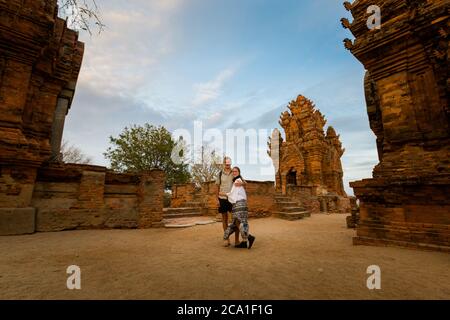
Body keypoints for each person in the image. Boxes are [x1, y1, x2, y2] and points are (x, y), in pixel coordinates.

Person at [223, 167, 255, 249]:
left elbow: (233, 194)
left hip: (239, 204)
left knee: (238, 222)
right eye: (233, 171)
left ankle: (249, 237)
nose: (234, 172)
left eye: (235, 171)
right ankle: (244, 242)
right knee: (239, 222)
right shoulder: (238, 180)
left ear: (239, 172)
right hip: (241, 204)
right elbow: (244, 183)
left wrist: (224, 194)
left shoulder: (237, 180)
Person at [215, 157, 239, 246]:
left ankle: (237, 240)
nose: (228, 165)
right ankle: (226, 239)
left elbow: (242, 182)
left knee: (235, 219)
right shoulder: (220, 174)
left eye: (229, 164)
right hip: (222, 199)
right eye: (226, 164)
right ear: (224, 164)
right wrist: (217, 199)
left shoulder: (234, 173)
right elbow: (217, 187)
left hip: (233, 199)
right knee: (224, 219)